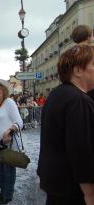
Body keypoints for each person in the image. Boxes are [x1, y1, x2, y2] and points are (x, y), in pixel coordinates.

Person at [37, 44, 94, 205]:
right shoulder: (78, 100)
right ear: (77, 71)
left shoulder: (57, 94)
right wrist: (90, 193)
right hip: (73, 190)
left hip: (56, 183)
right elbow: (81, 150)